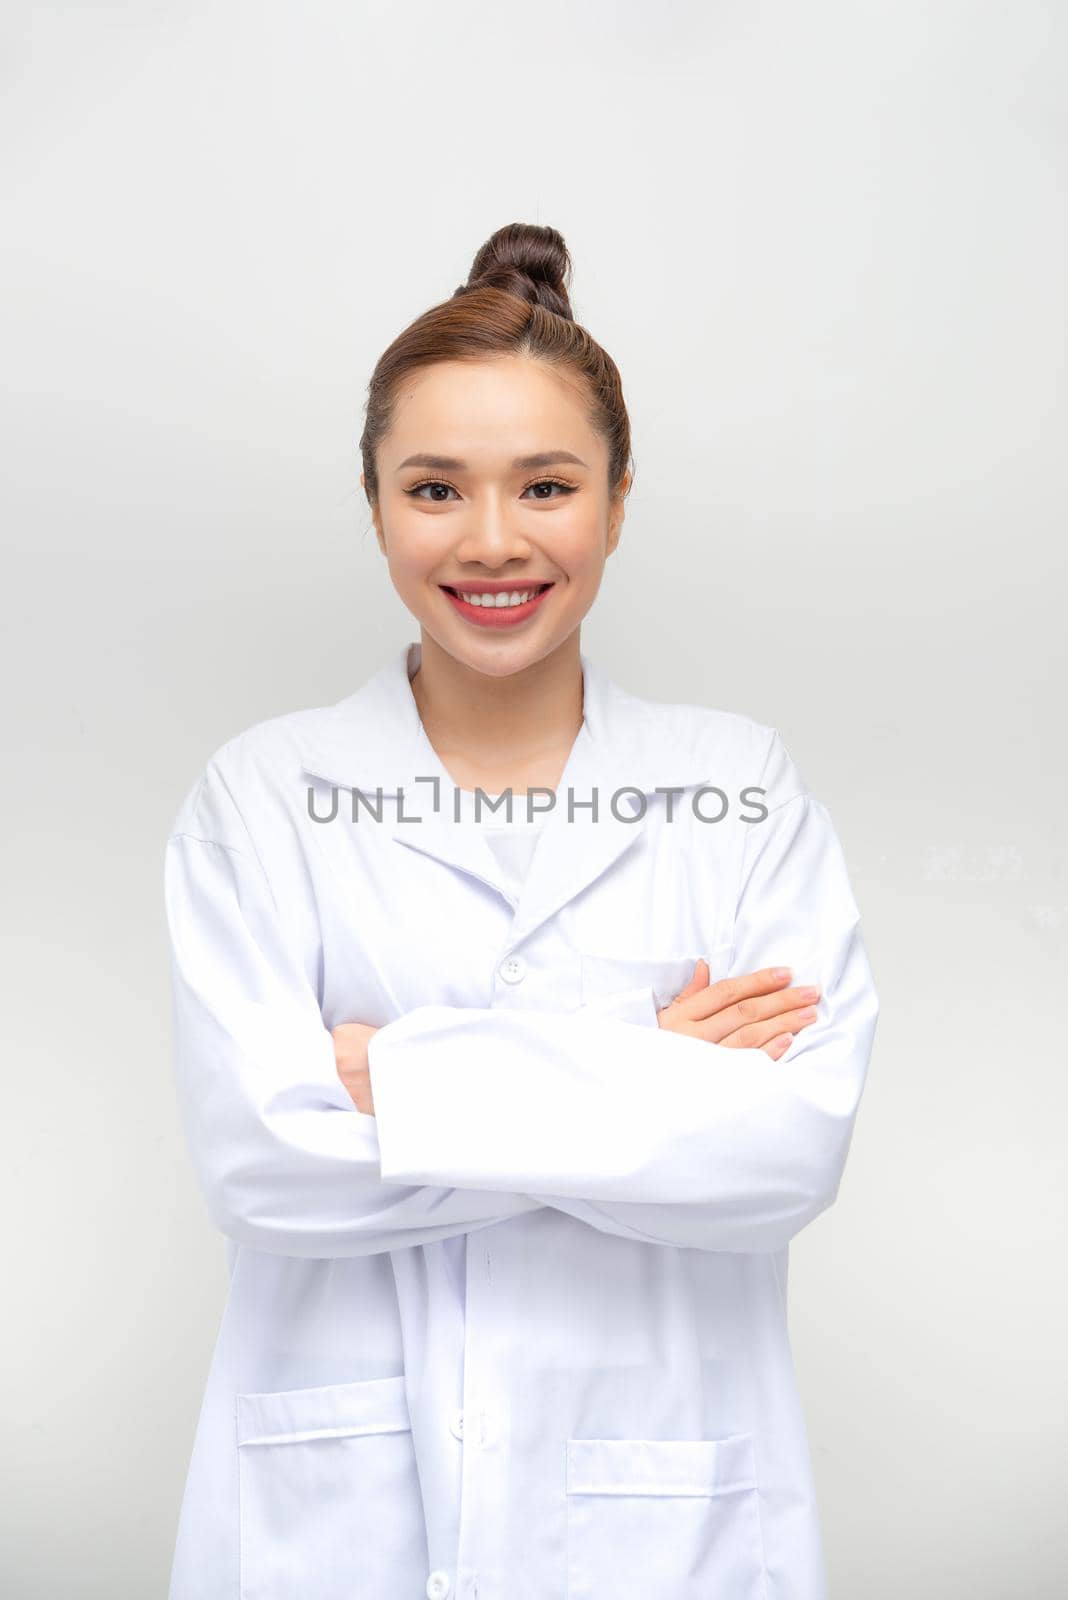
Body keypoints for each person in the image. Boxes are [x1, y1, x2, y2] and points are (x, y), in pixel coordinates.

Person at [163, 221, 879, 1600]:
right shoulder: (263, 796)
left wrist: (392, 1071)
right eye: (435, 488)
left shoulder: (735, 786)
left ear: (617, 498)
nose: (493, 541)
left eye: (546, 485)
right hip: (340, 1522)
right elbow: (257, 1162)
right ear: (373, 504)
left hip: (664, 1513)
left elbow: (785, 1154)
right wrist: (659, 1065)